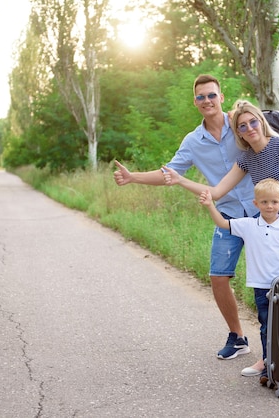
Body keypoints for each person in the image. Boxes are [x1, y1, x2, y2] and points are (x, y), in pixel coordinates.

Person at [113, 74, 258, 360]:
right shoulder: (193, 141)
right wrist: (133, 178)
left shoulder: (239, 124)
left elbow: (269, 143)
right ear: (195, 102)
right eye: (201, 97)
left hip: (260, 212)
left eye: (211, 95)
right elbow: (170, 174)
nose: (207, 101)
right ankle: (238, 337)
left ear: (221, 97)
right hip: (226, 214)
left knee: (270, 278)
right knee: (218, 277)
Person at [164, 99, 279, 271]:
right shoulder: (246, 159)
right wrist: (180, 180)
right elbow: (217, 192)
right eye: (242, 126)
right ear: (239, 132)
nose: (249, 128)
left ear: (261, 122)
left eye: (253, 122)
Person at [199, 178, 279, 381]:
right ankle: (268, 366)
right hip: (262, 286)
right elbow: (222, 223)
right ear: (256, 204)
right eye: (264, 202)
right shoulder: (248, 225)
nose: (269, 206)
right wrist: (210, 204)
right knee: (266, 326)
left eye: (274, 202)